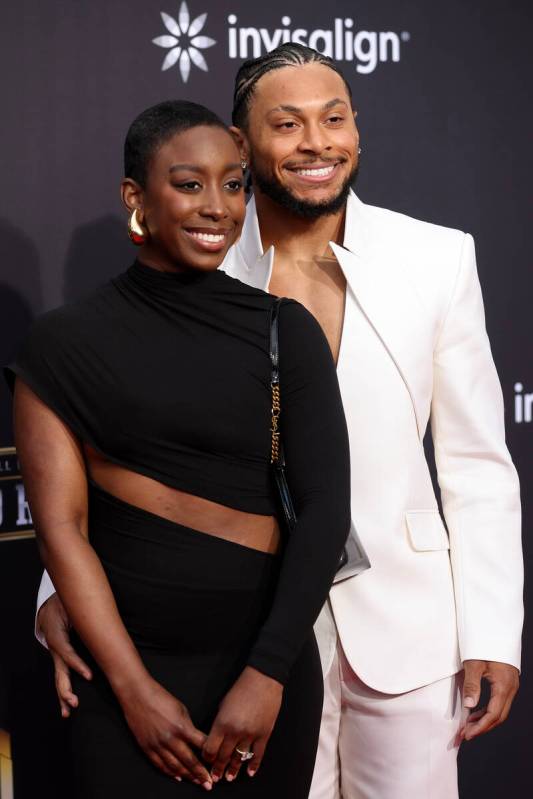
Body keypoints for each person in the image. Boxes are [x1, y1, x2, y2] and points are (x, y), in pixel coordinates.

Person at [34, 44, 523, 798]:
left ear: (357, 131)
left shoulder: (435, 257)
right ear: (241, 141)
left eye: (333, 120)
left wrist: (491, 629)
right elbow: (114, 447)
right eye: (286, 124)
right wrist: (51, 592)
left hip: (405, 623)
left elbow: (475, 463)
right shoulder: (201, 250)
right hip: (244, 629)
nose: (315, 143)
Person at [6, 99, 352, 798]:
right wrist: (133, 691)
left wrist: (267, 672)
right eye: (189, 184)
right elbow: (62, 529)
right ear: (136, 197)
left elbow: (324, 511)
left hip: (264, 678)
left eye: (233, 184)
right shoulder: (63, 344)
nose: (217, 206)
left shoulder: (285, 330)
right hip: (123, 678)